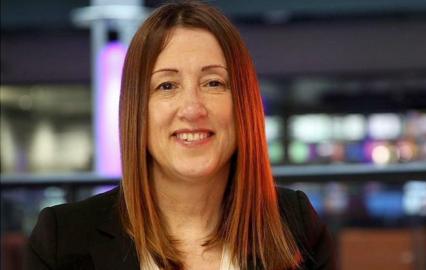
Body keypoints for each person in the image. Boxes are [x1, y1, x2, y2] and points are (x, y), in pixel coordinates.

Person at [24, 1, 336, 269]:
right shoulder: (63, 239)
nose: (192, 109)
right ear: (137, 111)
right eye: (167, 86)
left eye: (213, 83)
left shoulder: (295, 224)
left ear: (243, 103)